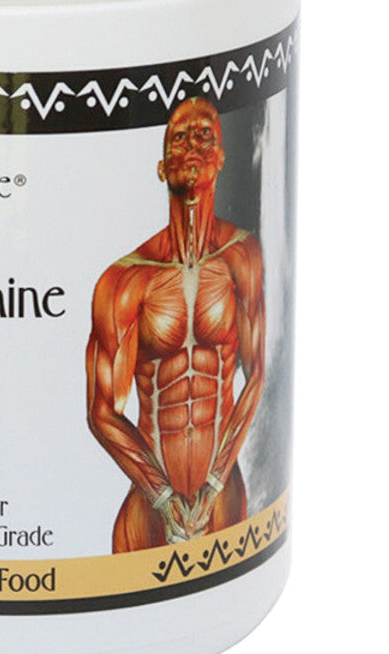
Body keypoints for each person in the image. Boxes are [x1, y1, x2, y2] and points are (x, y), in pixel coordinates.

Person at [86, 97, 265, 551]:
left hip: (221, 494)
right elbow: (103, 410)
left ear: (221, 157)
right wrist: (163, 498)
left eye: (205, 134)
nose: (192, 145)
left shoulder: (242, 257)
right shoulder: (124, 281)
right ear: (162, 168)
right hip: (150, 505)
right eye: (179, 138)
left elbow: (256, 375)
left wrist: (214, 482)